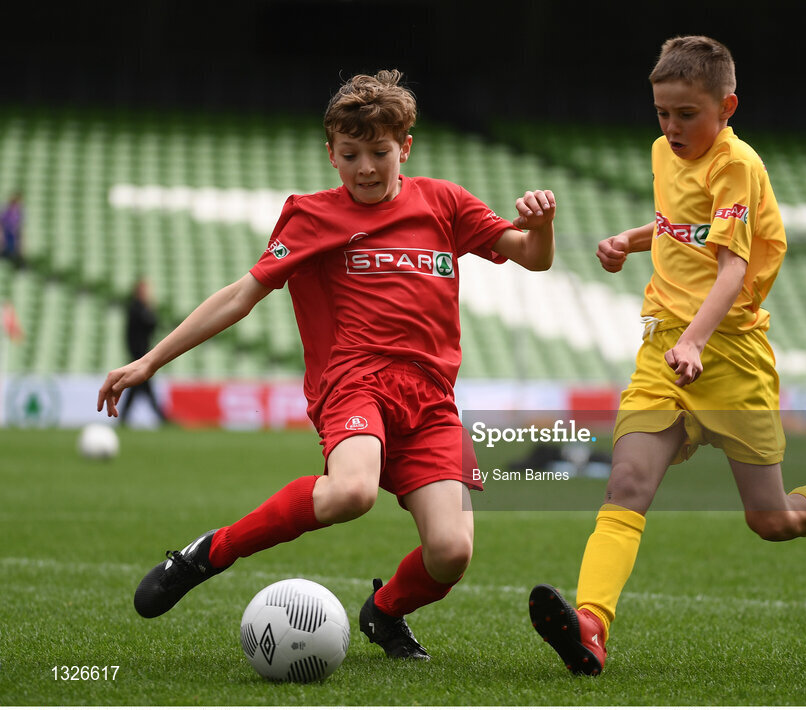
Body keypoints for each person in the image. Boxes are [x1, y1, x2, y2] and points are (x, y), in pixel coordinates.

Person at [97, 70, 557, 660]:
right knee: (352, 492)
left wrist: (540, 228)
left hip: (431, 399)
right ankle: (211, 553)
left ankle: (384, 612)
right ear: (331, 155)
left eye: (379, 153)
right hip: (354, 382)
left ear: (405, 148)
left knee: (452, 553)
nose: (366, 167)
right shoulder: (312, 216)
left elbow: (532, 259)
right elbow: (242, 294)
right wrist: (150, 360)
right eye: (350, 154)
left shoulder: (444, 202)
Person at [528, 36, 806, 676]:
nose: (670, 127)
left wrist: (697, 337)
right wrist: (629, 242)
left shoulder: (737, 164)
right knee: (627, 483)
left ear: (727, 107)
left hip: (732, 357)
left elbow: (732, 264)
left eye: (685, 114)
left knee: (771, 519)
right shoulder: (666, 152)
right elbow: (677, 223)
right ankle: (590, 624)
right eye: (661, 112)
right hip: (663, 349)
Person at [119, 278, 169, 426]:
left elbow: (152, 326)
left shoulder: (140, 308)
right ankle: (162, 418)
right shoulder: (135, 309)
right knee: (142, 387)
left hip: (142, 353)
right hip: (139, 354)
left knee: (137, 388)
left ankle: (124, 418)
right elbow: (149, 325)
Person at [1, 192, 24, 269]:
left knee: (14, 248)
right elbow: (3, 221)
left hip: (14, 232)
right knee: (8, 248)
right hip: (8, 232)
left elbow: (19, 223)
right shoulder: (7, 210)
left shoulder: (19, 211)